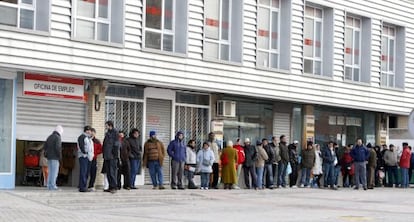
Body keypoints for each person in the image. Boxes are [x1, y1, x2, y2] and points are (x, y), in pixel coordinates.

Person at [102, 121, 120, 194]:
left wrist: (115, 155)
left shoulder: (115, 133)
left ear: (110, 126)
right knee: (108, 172)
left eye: (106, 125)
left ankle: (114, 187)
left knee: (112, 172)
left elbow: (116, 145)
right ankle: (110, 187)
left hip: (112, 156)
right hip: (107, 156)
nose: (105, 127)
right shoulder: (107, 133)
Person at [44, 125, 63, 191]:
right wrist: (60, 157)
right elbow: (58, 148)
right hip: (55, 157)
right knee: (54, 173)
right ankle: (53, 186)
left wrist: (46, 155)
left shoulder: (49, 137)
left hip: (49, 157)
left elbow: (45, 147)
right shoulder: (57, 137)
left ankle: (49, 186)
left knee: (50, 172)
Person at [77, 125, 93, 192]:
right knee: (83, 172)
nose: (90, 132)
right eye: (89, 130)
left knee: (86, 172)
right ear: (86, 130)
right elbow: (81, 146)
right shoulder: (82, 137)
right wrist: (85, 152)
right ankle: (82, 187)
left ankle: (84, 186)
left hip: (88, 157)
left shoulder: (88, 138)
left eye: (90, 130)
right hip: (83, 156)